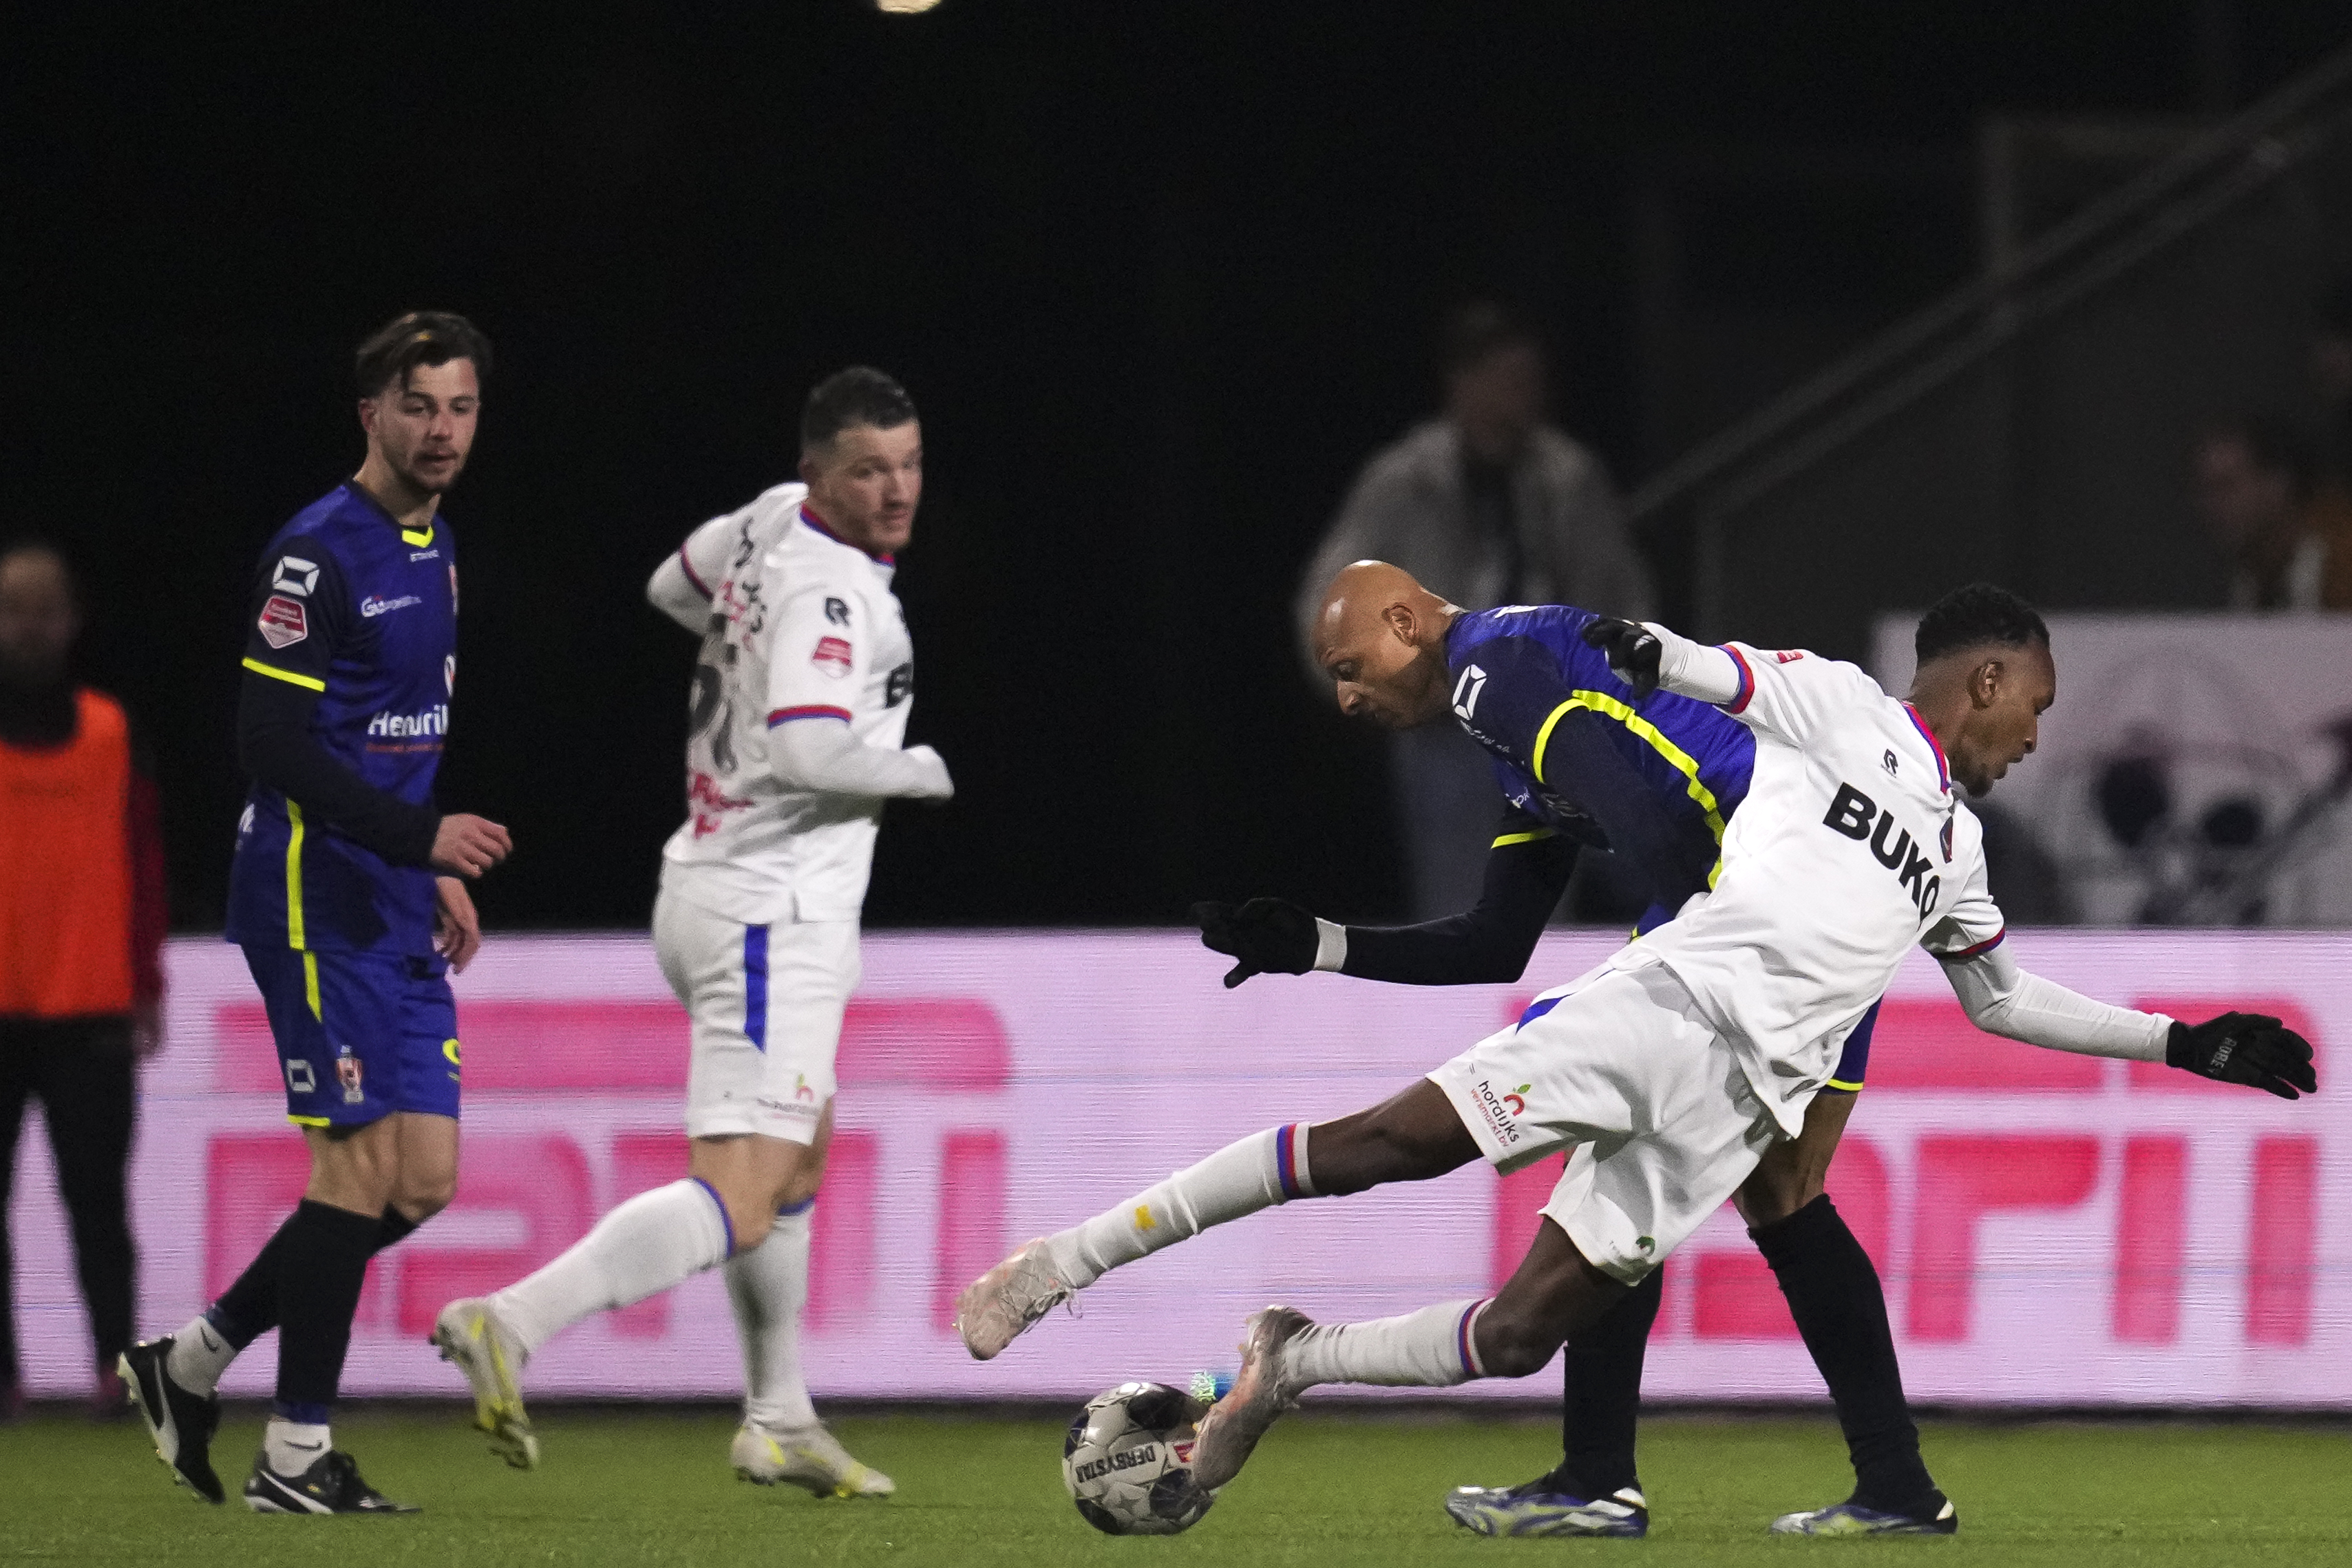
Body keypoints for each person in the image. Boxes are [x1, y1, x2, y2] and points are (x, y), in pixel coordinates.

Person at [957, 582, 2313, 1534]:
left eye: (1353, 670)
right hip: (1670, 996)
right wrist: (1649, 652)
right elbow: (1715, 673)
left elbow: (2003, 997)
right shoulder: (1836, 705)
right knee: (1392, 1141)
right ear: (1985, 677)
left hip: (1736, 1089)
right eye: (2038, 702)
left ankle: (1294, 1359)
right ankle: (1064, 1259)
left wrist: (2179, 1039)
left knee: (1515, 1331)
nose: (2038, 731)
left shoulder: (1952, 851)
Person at [1180, 560, 1924, 1536]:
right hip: (1798, 904)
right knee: (1780, 1194)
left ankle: (1602, 1478)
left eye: (1351, 664)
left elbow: (1654, 823)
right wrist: (1318, 946)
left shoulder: (1494, 671)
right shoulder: (1511, 721)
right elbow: (1495, 939)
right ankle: (1875, 1488)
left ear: (1407, 619)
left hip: (1779, 903)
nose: (1345, 695)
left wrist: (1662, 984)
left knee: (1705, 1168)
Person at [432, 367, 951, 1498]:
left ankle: (778, 1415)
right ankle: (510, 1319)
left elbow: (675, 584)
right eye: (870, 469)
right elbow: (813, 750)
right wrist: (915, 770)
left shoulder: (771, 517)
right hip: (770, 915)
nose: (897, 488)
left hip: (711, 879)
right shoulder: (832, 593)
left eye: (909, 462)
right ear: (824, 471)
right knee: (745, 1186)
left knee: (798, 1151)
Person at [120, 312, 512, 1514]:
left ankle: (190, 1359)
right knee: (353, 1172)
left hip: (393, 897)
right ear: (370, 415)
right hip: (308, 898)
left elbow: (388, 734)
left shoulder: (435, 543)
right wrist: (418, 835)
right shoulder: (318, 552)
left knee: (425, 1179)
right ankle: (296, 1454)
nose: (441, 430)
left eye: (460, 407)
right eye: (418, 407)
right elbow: (272, 740)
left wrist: (428, 859)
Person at [1296, 304, 1653, 918]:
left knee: (1552, 905)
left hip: (1552, 714)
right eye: (1509, 381)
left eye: (1533, 382)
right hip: (1446, 725)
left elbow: (1621, 596)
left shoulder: (1567, 478)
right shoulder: (1406, 481)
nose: (1526, 398)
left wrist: (1620, 685)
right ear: (1463, 383)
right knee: (1460, 906)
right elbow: (1328, 594)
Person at [0, 542, 167, 1419]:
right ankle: (6, 1376)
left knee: (99, 1202)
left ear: (70, 621)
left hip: (90, 1000)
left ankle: (116, 1369)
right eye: (12, 608)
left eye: (43, 608)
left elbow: (143, 861)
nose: (28, 624)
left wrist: (148, 982)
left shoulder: (109, 730)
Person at [2188, 415, 2350, 611]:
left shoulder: (2341, 562)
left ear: (2278, 482)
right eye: (2207, 490)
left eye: (2228, 486)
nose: (2213, 504)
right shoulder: (2249, 579)